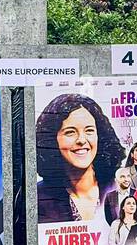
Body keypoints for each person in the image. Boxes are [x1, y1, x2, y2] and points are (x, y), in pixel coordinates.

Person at [36, 92, 127, 224]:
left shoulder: (120, 185)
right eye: (70, 132)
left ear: (99, 135)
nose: (81, 140)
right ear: (51, 139)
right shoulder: (37, 197)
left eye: (89, 130)